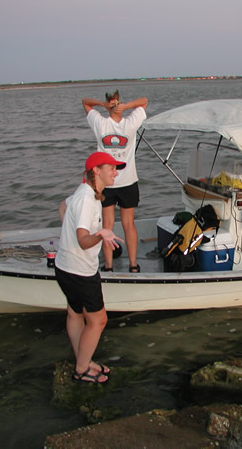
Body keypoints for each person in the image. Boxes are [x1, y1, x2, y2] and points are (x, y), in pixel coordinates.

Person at [55, 151, 125, 383]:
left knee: (75, 314)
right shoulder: (87, 200)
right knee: (98, 320)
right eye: (111, 168)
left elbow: (62, 206)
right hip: (81, 272)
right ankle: (81, 370)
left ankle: (82, 361)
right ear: (96, 171)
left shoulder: (84, 192)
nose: (115, 173)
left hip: (64, 266)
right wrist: (101, 234)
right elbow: (83, 241)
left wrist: (67, 227)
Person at [82, 90, 148, 273]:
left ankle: (123, 265)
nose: (116, 106)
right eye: (114, 104)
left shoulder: (119, 123)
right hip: (111, 184)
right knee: (115, 225)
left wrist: (118, 106)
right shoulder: (109, 123)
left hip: (121, 182)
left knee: (121, 224)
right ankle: (118, 265)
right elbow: (85, 101)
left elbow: (144, 100)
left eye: (115, 103)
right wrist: (114, 106)